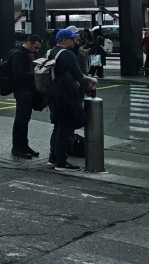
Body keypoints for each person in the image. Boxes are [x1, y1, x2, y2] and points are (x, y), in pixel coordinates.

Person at [47, 28, 97, 171]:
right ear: (64, 40)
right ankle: (61, 163)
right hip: (66, 96)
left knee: (57, 127)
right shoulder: (67, 54)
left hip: (54, 95)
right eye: (72, 38)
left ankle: (53, 158)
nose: (74, 41)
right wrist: (90, 80)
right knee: (65, 128)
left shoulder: (51, 52)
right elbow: (78, 75)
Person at [10, 34, 43, 159]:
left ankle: (24, 145)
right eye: (35, 47)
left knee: (25, 119)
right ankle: (17, 148)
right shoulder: (19, 54)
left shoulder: (27, 53)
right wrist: (35, 73)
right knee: (21, 120)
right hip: (22, 91)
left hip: (27, 91)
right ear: (29, 43)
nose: (37, 50)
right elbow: (19, 74)